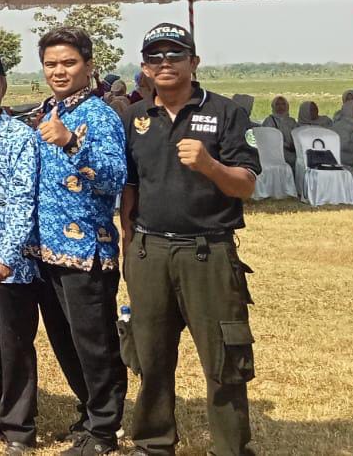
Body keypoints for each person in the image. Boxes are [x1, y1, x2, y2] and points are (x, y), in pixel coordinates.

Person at [119, 23, 261, 456]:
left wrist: (210, 165)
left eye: (175, 54)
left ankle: (230, 448)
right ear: (145, 67)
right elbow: (130, 186)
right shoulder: (134, 117)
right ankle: (152, 443)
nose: (165, 63)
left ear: (194, 62)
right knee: (150, 356)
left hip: (207, 251)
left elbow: (246, 185)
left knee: (224, 360)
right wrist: (128, 244)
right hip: (149, 250)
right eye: (155, 56)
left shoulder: (225, 112)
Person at [0, 53, 91, 456]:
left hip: (9, 263)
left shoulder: (21, 137)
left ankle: (19, 427)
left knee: (13, 344)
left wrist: (6, 255)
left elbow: (23, 202)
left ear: (4, 88)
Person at [24, 27, 129, 456]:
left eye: (68, 63)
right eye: (51, 64)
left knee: (95, 344)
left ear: (88, 66)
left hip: (87, 251)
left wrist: (71, 143)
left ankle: (105, 430)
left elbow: (113, 178)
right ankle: (89, 415)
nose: (59, 71)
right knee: (67, 343)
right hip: (48, 250)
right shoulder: (49, 110)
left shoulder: (99, 115)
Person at [261, 96, 300, 166]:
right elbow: (269, 139)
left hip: (292, 151)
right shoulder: (269, 121)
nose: (280, 107)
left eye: (283, 104)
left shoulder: (291, 121)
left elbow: (297, 136)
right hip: (275, 152)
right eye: (277, 104)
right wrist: (286, 145)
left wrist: (294, 145)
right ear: (273, 106)